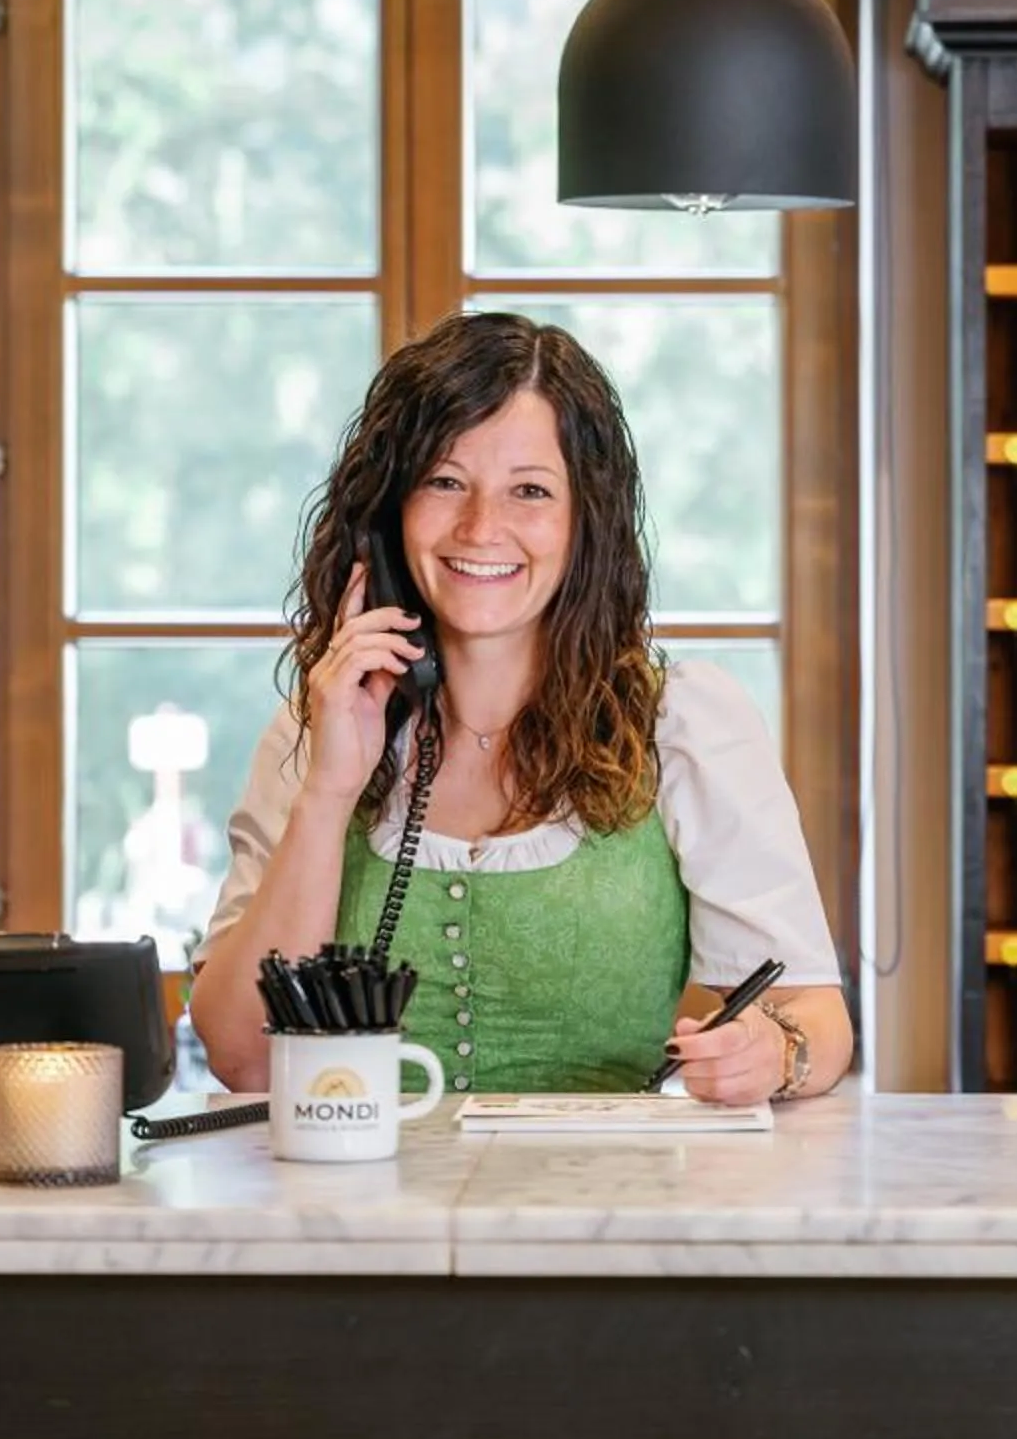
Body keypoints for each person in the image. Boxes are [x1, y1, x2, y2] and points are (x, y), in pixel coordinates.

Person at [191, 310, 852, 1104]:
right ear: (389, 513)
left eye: (530, 491)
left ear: (585, 521)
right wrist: (330, 793)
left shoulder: (681, 724)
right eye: (444, 481)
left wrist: (774, 1051)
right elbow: (242, 1059)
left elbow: (816, 1016)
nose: (481, 528)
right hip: (358, 1181)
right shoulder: (317, 728)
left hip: (608, 1183)